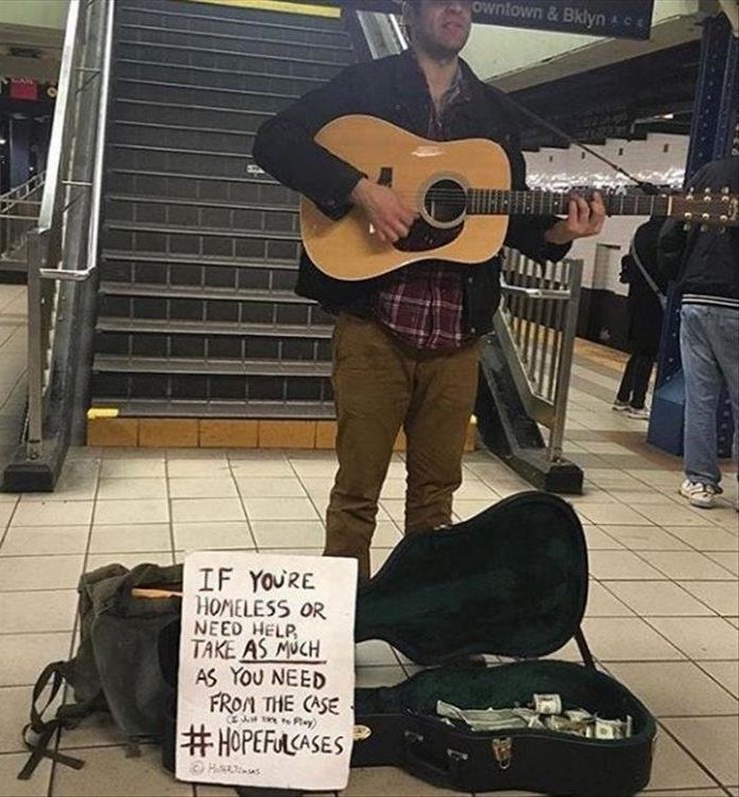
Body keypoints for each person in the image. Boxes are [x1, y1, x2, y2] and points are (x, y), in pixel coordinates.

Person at [253, 0, 606, 580]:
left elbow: (507, 218)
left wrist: (561, 231)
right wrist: (360, 188)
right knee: (357, 492)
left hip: (459, 335)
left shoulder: (494, 112)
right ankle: (345, 625)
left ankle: (427, 617)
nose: (458, 9)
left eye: (468, 2)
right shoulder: (366, 85)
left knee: (436, 499)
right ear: (412, 11)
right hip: (374, 325)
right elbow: (273, 140)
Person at [658, 154, 739, 509]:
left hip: (696, 298)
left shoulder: (707, 173)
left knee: (701, 398)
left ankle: (700, 482)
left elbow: (671, 231)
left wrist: (679, 274)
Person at [612, 217, 669, 419]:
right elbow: (666, 268)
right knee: (648, 353)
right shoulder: (664, 233)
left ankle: (622, 397)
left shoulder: (641, 231)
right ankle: (637, 404)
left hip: (635, 299)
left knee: (638, 351)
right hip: (654, 302)